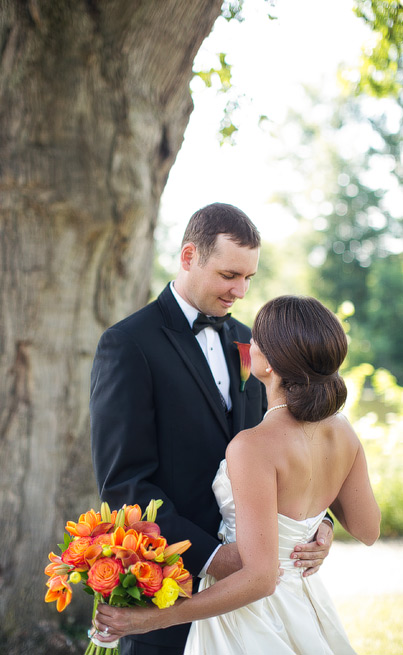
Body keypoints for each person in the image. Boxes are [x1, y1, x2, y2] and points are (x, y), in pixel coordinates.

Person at [89, 203, 334, 654]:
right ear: (189, 257)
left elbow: (289, 443)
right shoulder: (128, 344)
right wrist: (214, 557)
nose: (241, 290)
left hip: (256, 604)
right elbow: (124, 484)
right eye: (229, 275)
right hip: (170, 591)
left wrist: (318, 526)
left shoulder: (254, 343)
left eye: (249, 277)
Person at [94, 295, 381, 654]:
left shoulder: (252, 446)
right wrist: (315, 522)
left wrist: (153, 619)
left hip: (247, 617)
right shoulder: (343, 431)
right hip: (303, 604)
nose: (247, 343)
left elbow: (260, 579)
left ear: (269, 364)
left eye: (255, 340)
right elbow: (368, 530)